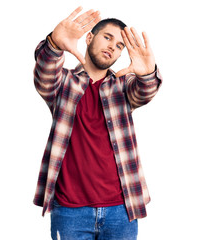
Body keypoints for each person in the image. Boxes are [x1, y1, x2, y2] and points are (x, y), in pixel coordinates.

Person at [33, 6, 162, 240]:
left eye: (119, 45)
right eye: (107, 37)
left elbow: (145, 92)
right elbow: (45, 74)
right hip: (70, 212)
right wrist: (53, 45)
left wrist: (147, 73)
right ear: (90, 38)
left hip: (121, 211)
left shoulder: (122, 86)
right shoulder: (64, 84)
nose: (113, 46)